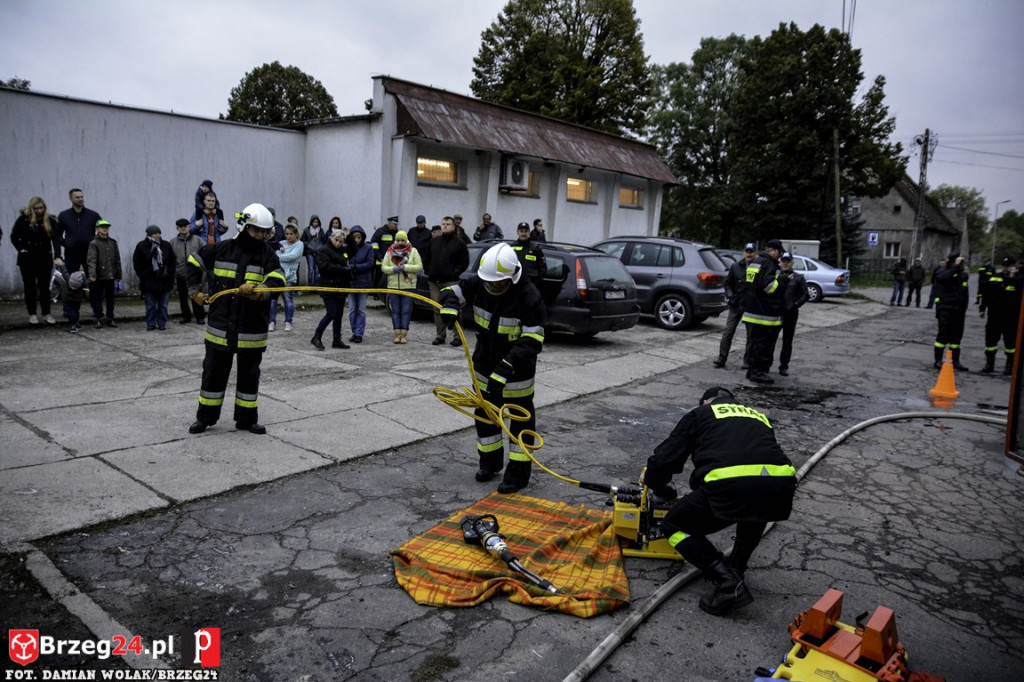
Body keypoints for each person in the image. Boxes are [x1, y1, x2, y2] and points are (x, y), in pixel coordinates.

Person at [640, 386, 796, 615]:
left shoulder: (700, 414)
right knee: (756, 505)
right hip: (781, 485)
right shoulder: (757, 416)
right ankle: (737, 569)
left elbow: (664, 460)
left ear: (705, 402)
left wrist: (658, 484)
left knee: (674, 525)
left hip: (730, 487)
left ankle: (728, 582)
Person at [439, 242, 546, 494]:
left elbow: (532, 342)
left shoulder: (530, 297)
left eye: (498, 284)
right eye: (490, 282)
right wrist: (449, 305)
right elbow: (449, 290)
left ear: (511, 277)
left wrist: (506, 368)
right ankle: (489, 464)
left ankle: (518, 475)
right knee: (486, 420)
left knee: (519, 426)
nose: (493, 287)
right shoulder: (481, 282)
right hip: (484, 368)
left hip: (516, 376)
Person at [186, 203, 285, 435]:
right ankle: (205, 418)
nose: (260, 235)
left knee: (249, 377)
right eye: (256, 230)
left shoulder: (267, 255)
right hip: (220, 328)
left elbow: (278, 281)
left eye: (264, 231)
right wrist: (194, 292)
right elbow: (193, 263)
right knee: (212, 374)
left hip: (251, 330)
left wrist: (261, 290)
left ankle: (247, 419)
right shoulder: (221, 249)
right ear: (244, 226)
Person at [11, 196, 61, 324]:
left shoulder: (49, 220)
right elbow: (14, 236)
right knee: (30, 287)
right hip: (27, 258)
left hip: (44, 257)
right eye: (36, 208)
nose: (39, 210)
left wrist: (57, 256)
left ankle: (46, 313)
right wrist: (21, 249)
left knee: (44, 287)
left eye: (41, 208)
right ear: (31, 208)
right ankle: (32, 314)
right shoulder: (23, 220)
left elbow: (56, 239)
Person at [741, 238, 785, 383]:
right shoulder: (768, 263)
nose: (779, 256)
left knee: (754, 342)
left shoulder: (756, 262)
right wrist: (782, 280)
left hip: (753, 310)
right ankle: (757, 372)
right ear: (772, 250)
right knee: (762, 344)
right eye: (778, 252)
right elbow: (769, 287)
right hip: (764, 312)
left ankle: (752, 370)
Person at [427, 216, 469, 346]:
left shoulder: (459, 243)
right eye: (443, 224)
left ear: (453, 226)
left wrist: (455, 272)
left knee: (454, 309)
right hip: (434, 281)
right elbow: (426, 258)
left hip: (451, 282)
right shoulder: (434, 242)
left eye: (448, 224)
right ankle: (440, 335)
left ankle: (458, 336)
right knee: (437, 310)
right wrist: (429, 270)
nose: (445, 226)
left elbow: (465, 262)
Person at [714, 242, 756, 369]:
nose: (749, 254)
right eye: (747, 251)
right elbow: (727, 284)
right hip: (736, 304)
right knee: (728, 331)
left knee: (751, 335)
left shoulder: (758, 267)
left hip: (751, 306)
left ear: (755, 253)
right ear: (743, 252)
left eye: (751, 251)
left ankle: (747, 361)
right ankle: (721, 358)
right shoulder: (735, 266)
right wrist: (730, 296)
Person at [979, 257, 1023, 374]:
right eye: (1004, 265)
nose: (1006, 268)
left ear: (1014, 267)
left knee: (1010, 343)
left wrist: (1012, 278)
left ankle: (1009, 365)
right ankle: (989, 363)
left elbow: (1019, 294)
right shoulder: (995, 277)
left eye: (1008, 266)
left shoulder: (1019, 279)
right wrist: (982, 308)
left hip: (1011, 316)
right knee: (990, 341)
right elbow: (987, 293)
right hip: (994, 315)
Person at [311, 230, 351, 350]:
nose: (338, 243)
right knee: (331, 313)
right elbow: (324, 267)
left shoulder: (342, 251)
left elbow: (353, 251)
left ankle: (337, 340)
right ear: (331, 238)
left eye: (341, 241)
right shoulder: (323, 250)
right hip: (328, 286)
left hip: (341, 286)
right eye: (336, 240)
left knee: (338, 315)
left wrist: (349, 237)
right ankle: (316, 336)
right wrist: (342, 269)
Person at [381, 230, 423, 344]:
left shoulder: (413, 251)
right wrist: (393, 269)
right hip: (393, 286)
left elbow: (419, 266)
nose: (400, 242)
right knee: (395, 311)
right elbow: (384, 267)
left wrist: (406, 267)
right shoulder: (390, 251)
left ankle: (404, 334)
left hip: (408, 286)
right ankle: (397, 333)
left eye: (402, 240)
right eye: (398, 240)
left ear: (406, 240)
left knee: (405, 311)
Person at [132, 225, 177, 331]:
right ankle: (151, 323)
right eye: (155, 233)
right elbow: (137, 262)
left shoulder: (165, 245)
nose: (157, 235)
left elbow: (172, 260)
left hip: (164, 281)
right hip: (148, 282)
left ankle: (162, 323)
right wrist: (143, 274)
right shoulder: (142, 246)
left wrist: (170, 274)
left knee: (163, 305)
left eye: (159, 233)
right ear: (149, 234)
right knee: (150, 305)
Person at [932, 252, 971, 370]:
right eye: (959, 261)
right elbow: (943, 278)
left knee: (956, 338)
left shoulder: (962, 275)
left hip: (958, 311)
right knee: (943, 336)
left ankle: (955, 361)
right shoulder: (944, 271)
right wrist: (955, 266)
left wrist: (964, 309)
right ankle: (938, 360)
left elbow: (965, 294)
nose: (961, 264)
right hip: (946, 309)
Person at [777, 252, 809, 376]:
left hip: (791, 314)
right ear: (780, 263)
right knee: (770, 340)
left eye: (787, 261)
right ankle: (765, 365)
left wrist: (795, 305)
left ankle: (783, 366)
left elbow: (805, 295)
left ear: (792, 263)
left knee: (787, 341)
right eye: (783, 261)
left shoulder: (799, 278)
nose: (785, 263)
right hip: (776, 313)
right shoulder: (776, 276)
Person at [85, 220, 122, 328]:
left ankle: (110, 318)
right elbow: (91, 260)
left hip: (110, 275)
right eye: (102, 227)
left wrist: (118, 275)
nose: (105, 229)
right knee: (97, 299)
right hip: (99, 276)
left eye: (106, 227)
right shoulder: (94, 243)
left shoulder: (112, 242)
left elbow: (117, 260)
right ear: (96, 229)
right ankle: (99, 318)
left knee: (111, 299)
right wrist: (92, 274)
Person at [56, 188, 102, 273]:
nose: (80, 199)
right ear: (70, 199)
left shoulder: (93, 215)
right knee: (72, 280)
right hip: (71, 254)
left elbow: (103, 231)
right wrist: (67, 244)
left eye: (81, 197)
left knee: (93, 279)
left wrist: (95, 243)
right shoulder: (64, 215)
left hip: (89, 253)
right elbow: (57, 235)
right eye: (77, 197)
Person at [170, 218, 206, 324]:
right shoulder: (172, 242)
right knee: (183, 297)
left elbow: (204, 253)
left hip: (195, 274)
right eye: (181, 227)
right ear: (177, 228)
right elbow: (171, 258)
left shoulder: (197, 240)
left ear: (189, 227)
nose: (183, 228)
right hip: (180, 274)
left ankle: (200, 317)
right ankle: (186, 316)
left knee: (196, 296)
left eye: (185, 226)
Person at [269, 225, 304, 332]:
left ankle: (288, 321)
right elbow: (273, 251)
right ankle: (271, 322)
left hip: (289, 277)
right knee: (272, 300)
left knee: (288, 299)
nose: (289, 236)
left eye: (291, 234)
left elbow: (292, 257)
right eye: (287, 234)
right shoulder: (282, 243)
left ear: (296, 234)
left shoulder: (299, 244)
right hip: (277, 275)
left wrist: (277, 256)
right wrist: (278, 254)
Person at [346, 225, 375, 343]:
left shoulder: (368, 248)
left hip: (363, 282)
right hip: (351, 282)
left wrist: (356, 267)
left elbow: (370, 263)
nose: (357, 240)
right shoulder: (347, 247)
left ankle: (359, 333)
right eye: (354, 237)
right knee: (352, 309)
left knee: (361, 310)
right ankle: (354, 331)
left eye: (359, 237)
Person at [53, 263, 89, 333]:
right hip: (68, 299)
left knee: (76, 311)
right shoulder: (68, 279)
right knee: (71, 312)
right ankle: (73, 324)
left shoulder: (82, 280)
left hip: (75, 299)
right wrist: (61, 264)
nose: (72, 288)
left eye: (75, 287)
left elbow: (86, 285)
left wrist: (87, 289)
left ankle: (75, 323)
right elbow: (64, 271)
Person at [371, 215, 400, 289]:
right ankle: (376, 293)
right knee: (379, 277)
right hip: (381, 259)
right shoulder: (380, 231)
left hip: (392, 260)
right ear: (389, 223)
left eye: (397, 224)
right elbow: (374, 243)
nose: (396, 226)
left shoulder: (397, 233)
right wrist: (377, 254)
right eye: (394, 224)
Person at [301, 215, 326, 285]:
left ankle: (316, 286)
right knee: (311, 269)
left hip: (318, 252)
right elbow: (302, 240)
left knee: (317, 269)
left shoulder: (321, 230)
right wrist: (309, 244)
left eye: (317, 222)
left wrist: (321, 248)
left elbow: (324, 241)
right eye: (314, 222)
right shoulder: (306, 230)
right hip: (309, 252)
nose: (315, 223)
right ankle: (310, 286)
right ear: (311, 222)